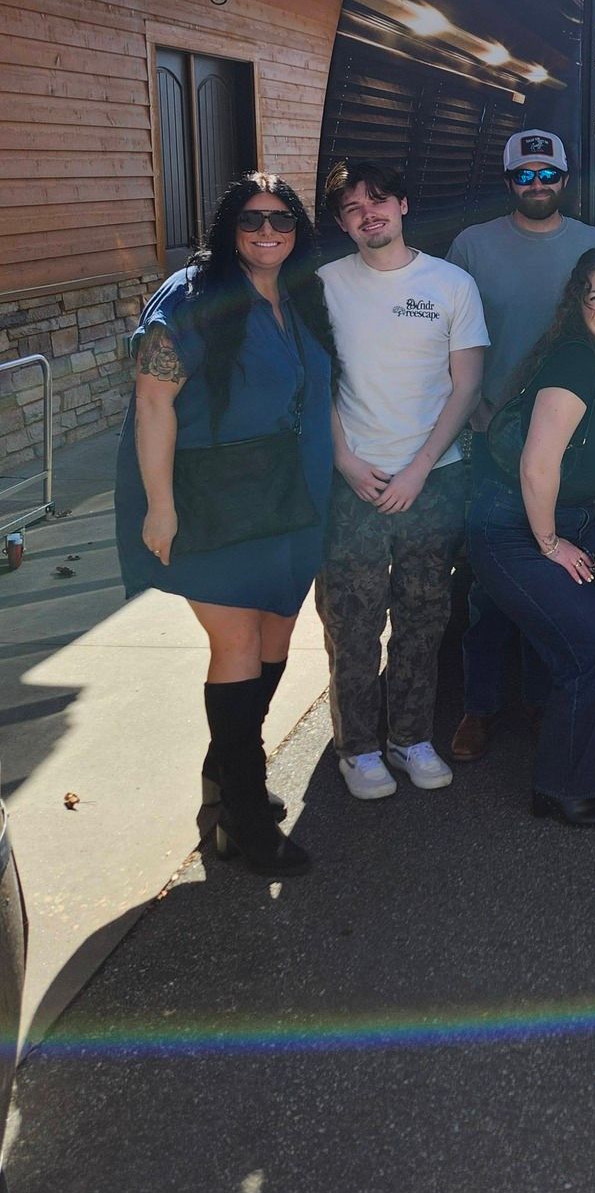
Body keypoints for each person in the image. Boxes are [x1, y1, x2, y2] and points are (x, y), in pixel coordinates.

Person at [115, 174, 335, 877]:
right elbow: (154, 403)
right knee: (237, 642)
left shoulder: (302, 294)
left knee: (275, 636)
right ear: (227, 227)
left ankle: (225, 776)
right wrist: (160, 503)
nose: (266, 233)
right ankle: (241, 815)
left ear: (298, 229)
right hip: (213, 497)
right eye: (251, 221)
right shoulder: (192, 296)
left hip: (292, 497)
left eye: (280, 220)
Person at [316, 160, 488, 801]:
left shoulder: (451, 284)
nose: (369, 213)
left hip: (434, 478)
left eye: (379, 200)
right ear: (342, 222)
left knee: (423, 615)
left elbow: (467, 384)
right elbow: (318, 382)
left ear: (404, 205)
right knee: (351, 620)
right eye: (354, 207)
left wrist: (419, 468)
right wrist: (344, 460)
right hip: (352, 480)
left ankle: (410, 736)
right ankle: (357, 747)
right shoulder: (324, 286)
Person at [466, 250, 595, 827]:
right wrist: (548, 544)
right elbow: (536, 466)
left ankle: (593, 774)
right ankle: (560, 787)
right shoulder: (575, 361)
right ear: (579, 308)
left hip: (578, 524)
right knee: (591, 649)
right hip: (513, 527)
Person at [446, 129, 595, 759]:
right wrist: (479, 415)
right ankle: (479, 707)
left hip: (576, 447)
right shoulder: (473, 247)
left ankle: (546, 703)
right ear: (509, 180)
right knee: (488, 584)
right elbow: (451, 335)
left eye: (549, 174)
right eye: (525, 175)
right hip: (497, 439)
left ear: (565, 180)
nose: (537, 185)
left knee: (559, 582)